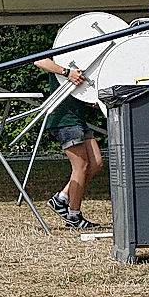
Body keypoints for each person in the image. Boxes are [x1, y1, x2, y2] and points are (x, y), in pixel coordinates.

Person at [32, 58, 104, 229]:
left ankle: (62, 198)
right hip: (64, 119)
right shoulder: (60, 57)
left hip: (77, 119)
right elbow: (39, 61)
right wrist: (67, 72)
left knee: (96, 163)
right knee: (81, 166)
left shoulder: (85, 56)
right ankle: (74, 216)